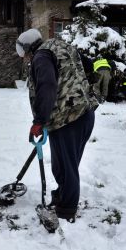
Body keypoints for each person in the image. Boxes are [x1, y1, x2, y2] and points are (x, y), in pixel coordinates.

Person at [16, 28, 98, 222]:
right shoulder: (61, 46)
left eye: (22, 52)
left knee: (66, 167)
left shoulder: (41, 57)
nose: (23, 57)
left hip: (69, 119)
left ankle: (67, 210)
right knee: (64, 166)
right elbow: (88, 66)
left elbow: (47, 87)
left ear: (28, 48)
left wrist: (39, 121)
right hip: (83, 115)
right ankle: (63, 197)